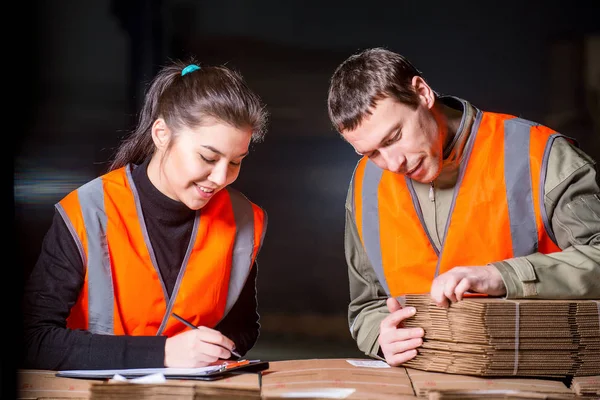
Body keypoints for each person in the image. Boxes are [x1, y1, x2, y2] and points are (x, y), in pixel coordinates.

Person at [327, 47, 600, 367]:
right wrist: (380, 337)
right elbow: (367, 306)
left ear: (421, 92)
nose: (392, 163)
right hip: (426, 382)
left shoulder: (539, 155)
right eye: (371, 152)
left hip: (542, 374)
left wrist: (503, 277)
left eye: (394, 137)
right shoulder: (365, 187)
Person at [21, 58, 269, 370]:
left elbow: (243, 326)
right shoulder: (87, 212)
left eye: (235, 161)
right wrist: (163, 353)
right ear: (162, 134)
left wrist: (210, 351)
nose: (221, 177)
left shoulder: (243, 219)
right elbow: (32, 340)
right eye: (208, 157)